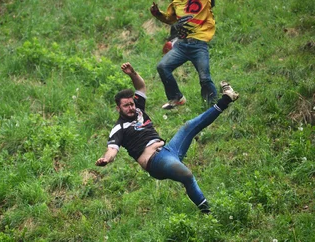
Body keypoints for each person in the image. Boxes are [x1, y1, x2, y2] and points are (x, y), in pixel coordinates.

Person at [95, 62, 239, 213]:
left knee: (189, 126)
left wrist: (132, 73)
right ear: (118, 108)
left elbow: (140, 87)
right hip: (156, 162)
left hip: (169, 149)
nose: (131, 107)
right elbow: (112, 149)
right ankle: (209, 214)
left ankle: (226, 99)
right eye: (126, 106)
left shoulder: (138, 109)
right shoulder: (119, 128)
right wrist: (106, 159)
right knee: (187, 175)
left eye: (131, 104)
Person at [150, 0, 217, 109]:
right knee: (162, 66)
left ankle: (213, 106)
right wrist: (157, 13)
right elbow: (170, 19)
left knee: (205, 78)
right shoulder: (176, 2)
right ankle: (177, 98)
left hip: (198, 45)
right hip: (182, 45)